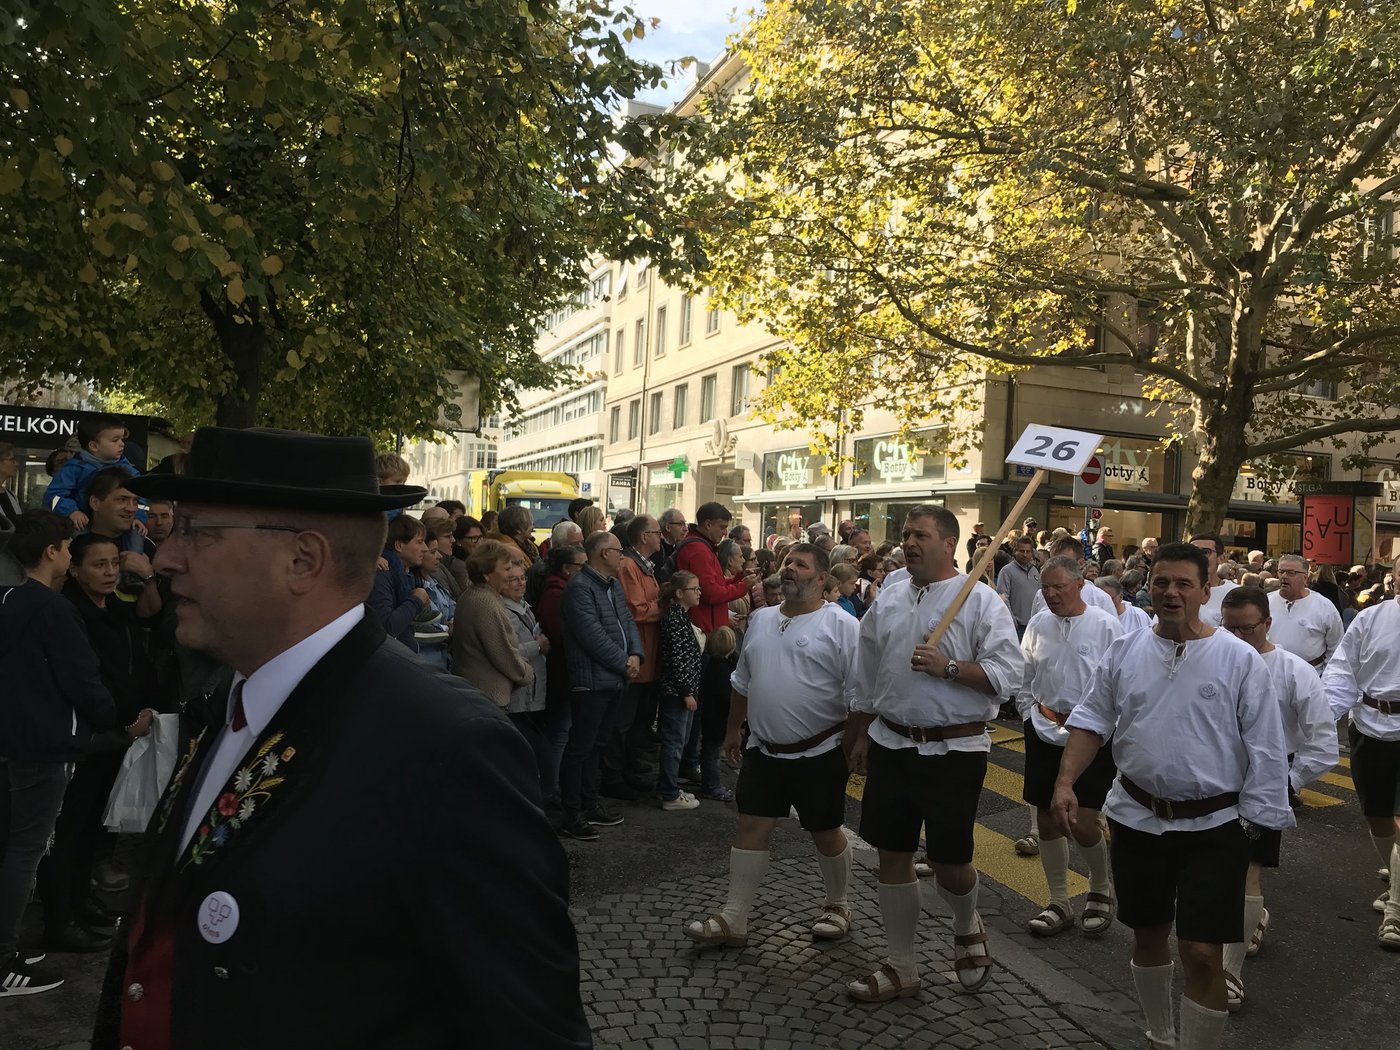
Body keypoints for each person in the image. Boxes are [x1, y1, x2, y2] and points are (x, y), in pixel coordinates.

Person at [99, 426, 589, 1047]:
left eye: (198, 530)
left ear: (303, 559)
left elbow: (529, 1026)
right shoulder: (229, 703)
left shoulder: (446, 747)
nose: (166, 556)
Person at [1052, 542, 1292, 1050]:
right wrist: (1066, 782)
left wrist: (1260, 823)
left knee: (1203, 951)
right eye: (1161, 582)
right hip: (1138, 820)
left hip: (1215, 826)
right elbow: (1093, 720)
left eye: (1184, 583)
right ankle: (1159, 1035)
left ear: (1207, 590)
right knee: (1147, 935)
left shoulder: (1238, 659)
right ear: (1149, 586)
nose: (1171, 592)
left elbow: (1267, 746)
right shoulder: (1126, 650)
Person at [844, 505, 1024, 1002]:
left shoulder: (981, 601)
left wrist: (949, 668)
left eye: (921, 535)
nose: (910, 543)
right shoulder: (889, 598)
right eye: (906, 535)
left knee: (949, 862)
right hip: (891, 743)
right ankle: (902, 966)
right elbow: (867, 673)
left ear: (949, 543)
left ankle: (966, 920)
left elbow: (1009, 675)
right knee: (892, 855)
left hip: (955, 750)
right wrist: (859, 733)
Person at [685, 544, 858, 948]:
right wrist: (733, 730)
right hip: (764, 749)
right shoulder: (761, 619)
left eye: (801, 565)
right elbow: (742, 682)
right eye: (787, 563)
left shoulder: (842, 625)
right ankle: (735, 917)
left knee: (825, 830)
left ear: (821, 580)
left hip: (820, 749)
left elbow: (860, 696)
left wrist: (854, 746)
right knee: (751, 824)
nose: (790, 569)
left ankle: (838, 903)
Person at [0, 512, 117, 996]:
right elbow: (81, 678)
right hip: (45, 746)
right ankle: (4, 961)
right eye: (69, 548)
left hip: (13, 741)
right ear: (52, 551)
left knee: (13, 848)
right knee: (26, 852)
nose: (70, 555)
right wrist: (112, 720)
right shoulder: (52, 608)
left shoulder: (9, 600)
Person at [1217, 586, 1338, 1008]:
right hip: (1214, 776)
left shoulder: (1294, 671)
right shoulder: (1213, 658)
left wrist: (1289, 780)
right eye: (1226, 627)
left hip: (1268, 774)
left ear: (1267, 624)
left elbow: (1323, 743)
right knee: (1215, 869)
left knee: (1248, 869)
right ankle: (1251, 921)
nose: (1233, 637)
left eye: (1245, 629)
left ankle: (1230, 972)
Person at [38, 534, 158, 954]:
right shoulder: (72, 613)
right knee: (67, 830)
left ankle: (81, 903)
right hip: (88, 736)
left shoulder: (115, 609)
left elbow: (148, 623)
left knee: (90, 827)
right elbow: (85, 681)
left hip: (118, 734)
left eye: (112, 564)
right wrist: (119, 722)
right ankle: (61, 919)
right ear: (74, 569)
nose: (109, 573)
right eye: (98, 565)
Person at [1017, 557, 1122, 939]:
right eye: (1045, 587)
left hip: (1091, 734)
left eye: (1058, 586)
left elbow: (1117, 684)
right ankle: (1058, 900)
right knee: (1047, 819)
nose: (1050, 594)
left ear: (1080, 584)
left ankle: (1099, 885)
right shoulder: (1039, 623)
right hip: (1043, 728)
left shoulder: (1106, 625)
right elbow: (1025, 672)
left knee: (1081, 820)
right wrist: (1028, 711)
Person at [1321, 585, 1400, 952]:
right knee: (1378, 815)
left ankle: (1396, 909)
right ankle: (1397, 875)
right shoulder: (1371, 618)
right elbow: (1343, 669)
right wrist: (1321, 721)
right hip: (1371, 724)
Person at [558, 530, 642, 841]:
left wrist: (636, 654)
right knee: (580, 747)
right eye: (619, 551)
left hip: (615, 679)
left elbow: (627, 622)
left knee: (598, 745)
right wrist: (624, 662)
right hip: (591, 682)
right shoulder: (579, 589)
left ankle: (590, 801)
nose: (623, 556)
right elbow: (591, 636)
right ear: (604, 554)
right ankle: (572, 812)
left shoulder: (612, 585)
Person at [604, 515, 664, 800]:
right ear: (643, 536)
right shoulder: (629, 566)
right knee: (624, 721)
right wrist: (666, 605)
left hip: (649, 657)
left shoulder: (643, 565)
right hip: (637, 656)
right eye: (657, 532)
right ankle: (614, 777)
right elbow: (636, 610)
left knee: (639, 720)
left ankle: (631, 771)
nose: (661, 536)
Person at [535, 545, 587, 825]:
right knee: (558, 733)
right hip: (559, 673)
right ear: (567, 569)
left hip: (563, 672)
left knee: (562, 732)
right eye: (582, 566)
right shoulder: (557, 594)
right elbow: (562, 633)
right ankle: (550, 791)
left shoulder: (564, 590)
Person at [450, 540, 533, 706]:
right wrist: (527, 673)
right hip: (488, 696)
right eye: (507, 569)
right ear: (487, 574)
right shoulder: (485, 602)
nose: (511, 575)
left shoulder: (477, 596)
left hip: (481, 693)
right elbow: (502, 652)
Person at [655, 570, 705, 812]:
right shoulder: (674, 618)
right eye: (693, 589)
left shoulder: (682, 616)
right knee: (674, 742)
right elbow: (677, 659)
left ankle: (671, 786)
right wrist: (687, 691)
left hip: (685, 689)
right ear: (679, 593)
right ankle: (669, 792)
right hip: (678, 692)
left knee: (680, 740)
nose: (698, 593)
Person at [43, 416, 141, 527]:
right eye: (115, 440)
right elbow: (53, 495)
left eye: (122, 439)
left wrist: (138, 517)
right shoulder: (73, 468)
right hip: (83, 523)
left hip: (123, 524)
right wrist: (71, 511)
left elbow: (142, 498)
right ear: (94, 446)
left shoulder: (129, 470)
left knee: (136, 535)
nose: (122, 444)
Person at [676, 503, 756, 634]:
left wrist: (739, 579)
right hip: (705, 630)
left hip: (707, 628)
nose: (725, 532)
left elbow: (715, 584)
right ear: (708, 524)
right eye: (722, 527)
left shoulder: (703, 547)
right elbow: (710, 593)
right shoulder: (698, 550)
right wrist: (743, 586)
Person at [367, 513, 431, 651]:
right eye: (419, 542)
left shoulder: (405, 574)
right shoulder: (382, 573)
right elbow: (386, 628)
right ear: (399, 545)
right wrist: (416, 600)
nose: (425, 548)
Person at [1266, 554, 1343, 669]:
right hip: (1272, 672)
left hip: (1312, 674)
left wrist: (1327, 677)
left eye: (1291, 573)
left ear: (1305, 577)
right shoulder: (1265, 602)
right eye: (1281, 572)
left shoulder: (1324, 606)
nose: (1284, 577)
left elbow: (1336, 646)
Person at [1029, 535, 1117, 618]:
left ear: (1081, 563)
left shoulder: (1100, 598)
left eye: (1066, 563)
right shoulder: (1041, 595)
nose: (1058, 568)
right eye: (1054, 562)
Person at [996, 535, 1041, 639]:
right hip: (1017, 627)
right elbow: (1002, 598)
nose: (1025, 554)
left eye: (1028, 551)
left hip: (1033, 625)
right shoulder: (1006, 571)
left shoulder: (1035, 571)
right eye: (1022, 551)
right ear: (1015, 551)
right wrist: (1012, 621)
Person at [1190, 532, 1238, 627]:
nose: (1198, 557)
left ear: (1221, 558)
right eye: (1193, 552)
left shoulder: (1234, 593)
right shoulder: (1175, 590)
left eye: (1205, 552)